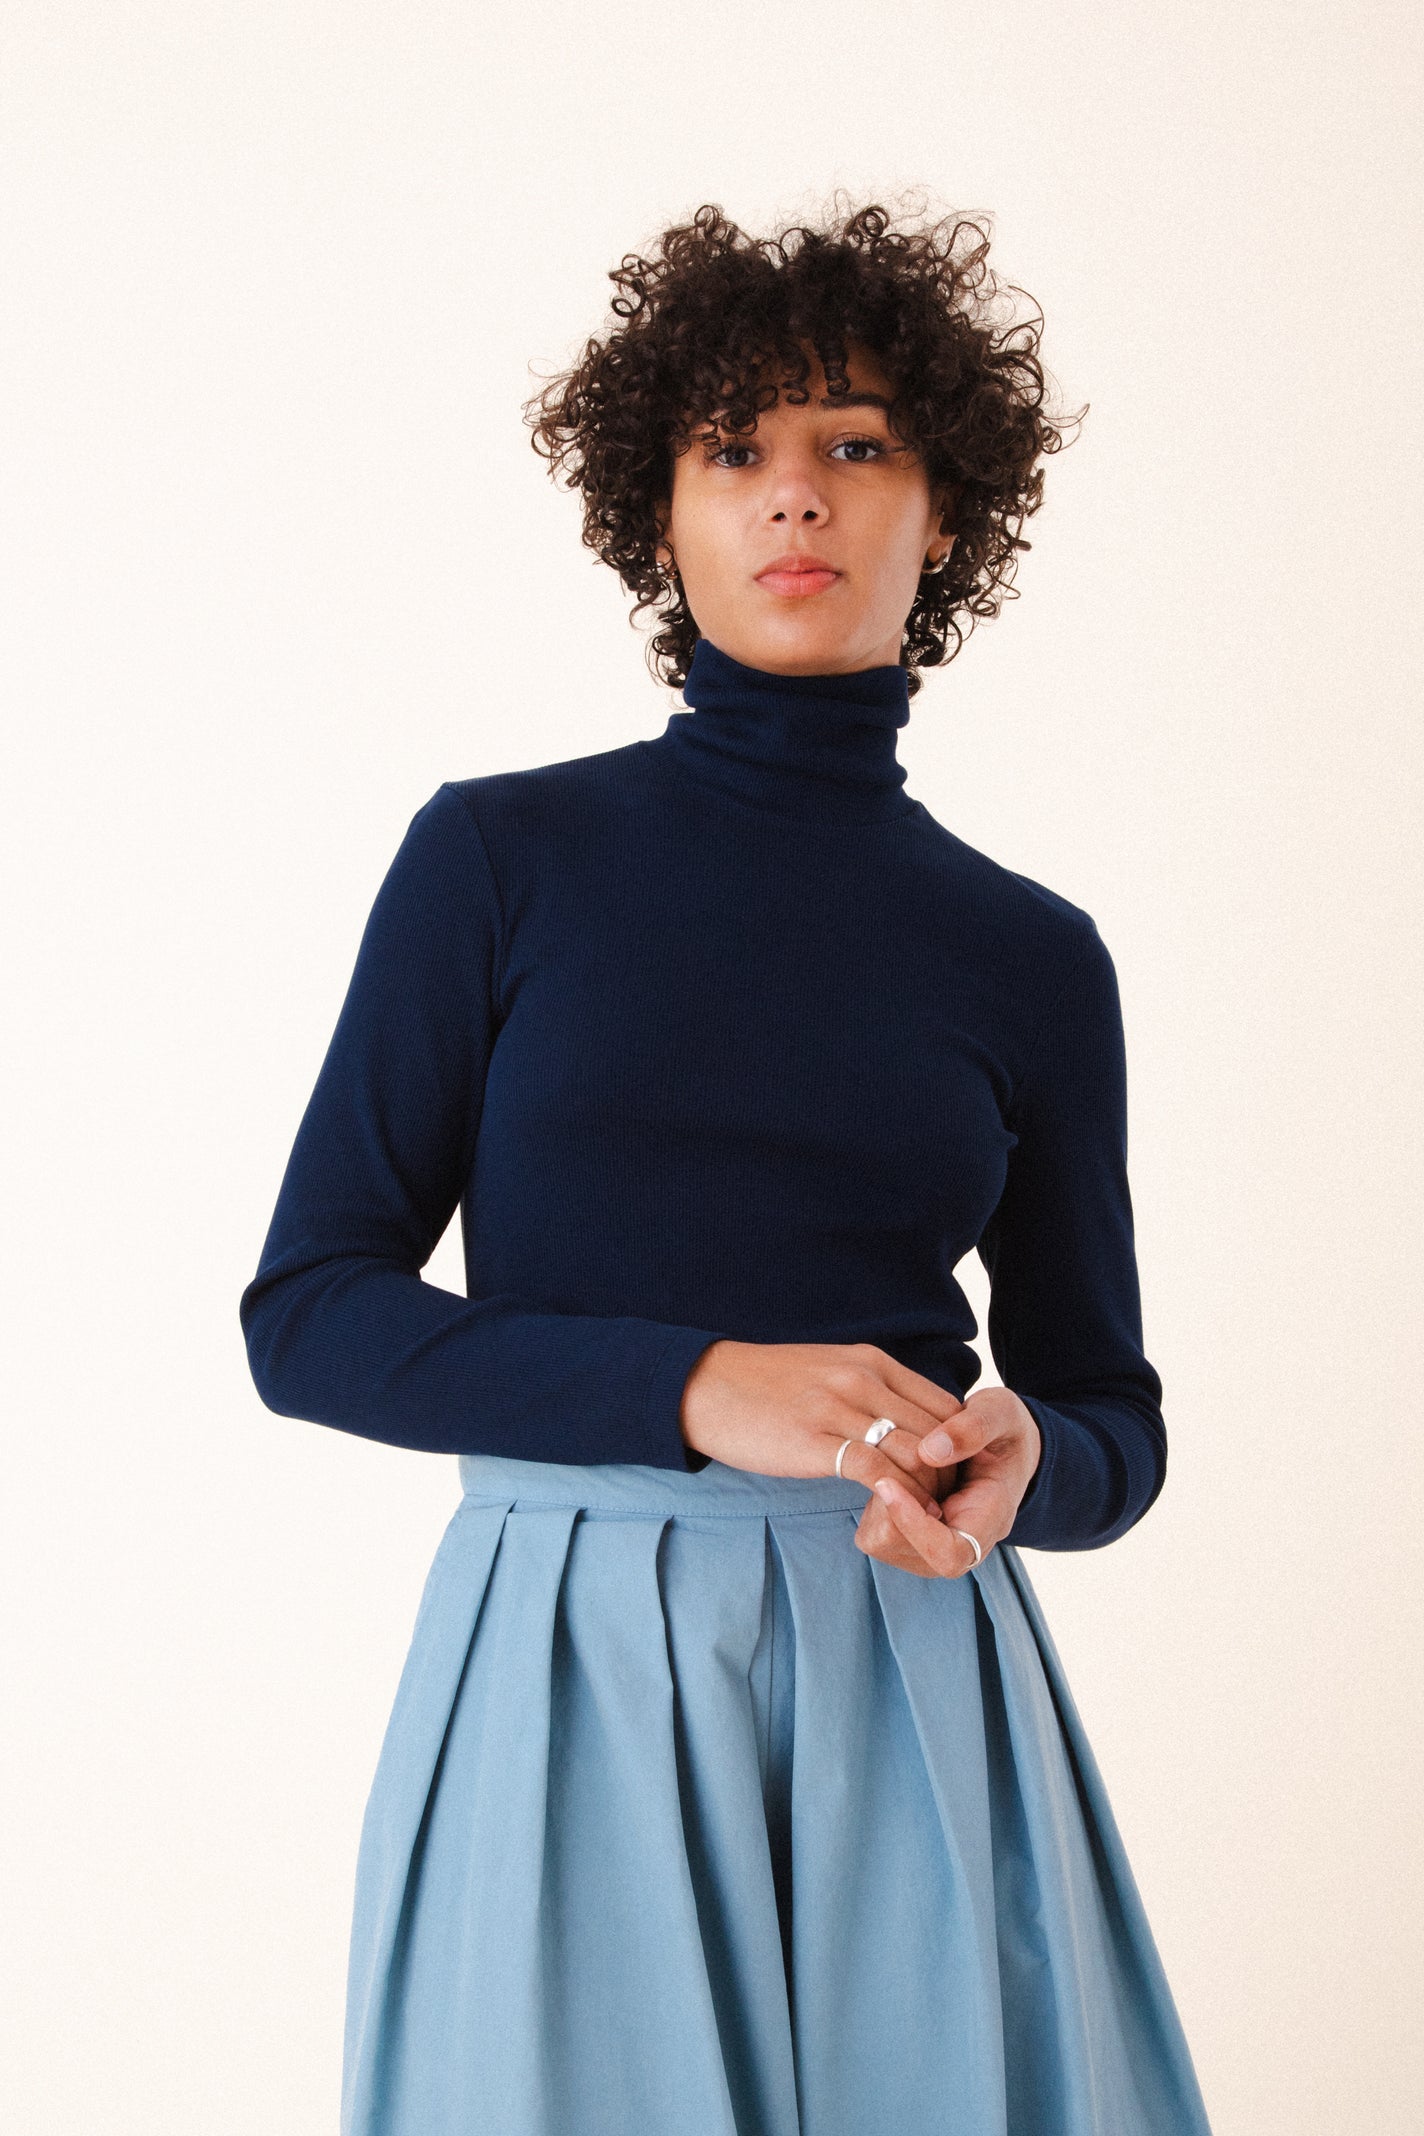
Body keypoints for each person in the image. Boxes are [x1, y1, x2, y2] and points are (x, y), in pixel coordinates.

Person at [239, 199, 1215, 2135]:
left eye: (857, 444)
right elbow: (309, 1316)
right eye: (732, 449)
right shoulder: (497, 863)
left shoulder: (1033, 957)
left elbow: (1110, 1411)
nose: (796, 494)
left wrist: (1031, 1460)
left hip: (912, 1666)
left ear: (948, 514)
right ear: (659, 516)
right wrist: (695, 1388)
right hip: (567, 1661)